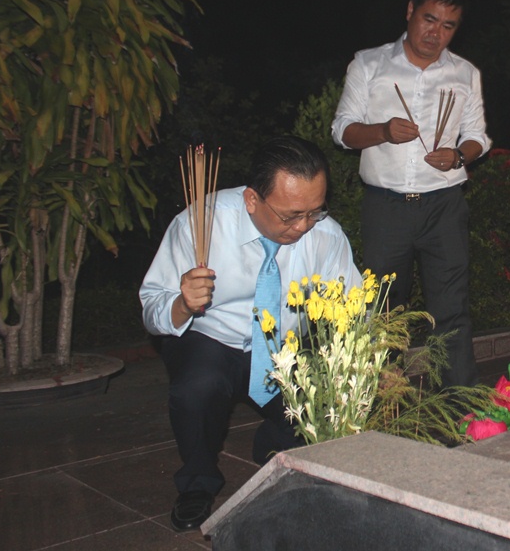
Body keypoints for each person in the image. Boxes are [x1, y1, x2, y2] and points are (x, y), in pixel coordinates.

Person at [140, 137, 362, 531]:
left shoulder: (324, 235)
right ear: (251, 200)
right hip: (212, 338)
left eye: (315, 210)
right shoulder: (202, 222)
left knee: (316, 419)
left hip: (284, 348)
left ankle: (273, 445)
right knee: (197, 388)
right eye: (291, 215)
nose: (303, 226)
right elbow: (152, 307)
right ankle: (197, 483)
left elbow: (355, 306)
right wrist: (181, 304)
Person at [332, 0, 491, 388]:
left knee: (451, 308)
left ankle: (458, 405)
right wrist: (383, 130)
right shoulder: (368, 64)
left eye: (448, 25)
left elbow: (479, 137)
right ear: (409, 11)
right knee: (383, 308)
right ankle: (376, 401)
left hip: (444, 204)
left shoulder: (465, 73)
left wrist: (458, 155)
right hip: (386, 205)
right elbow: (343, 130)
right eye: (428, 19)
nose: (435, 33)